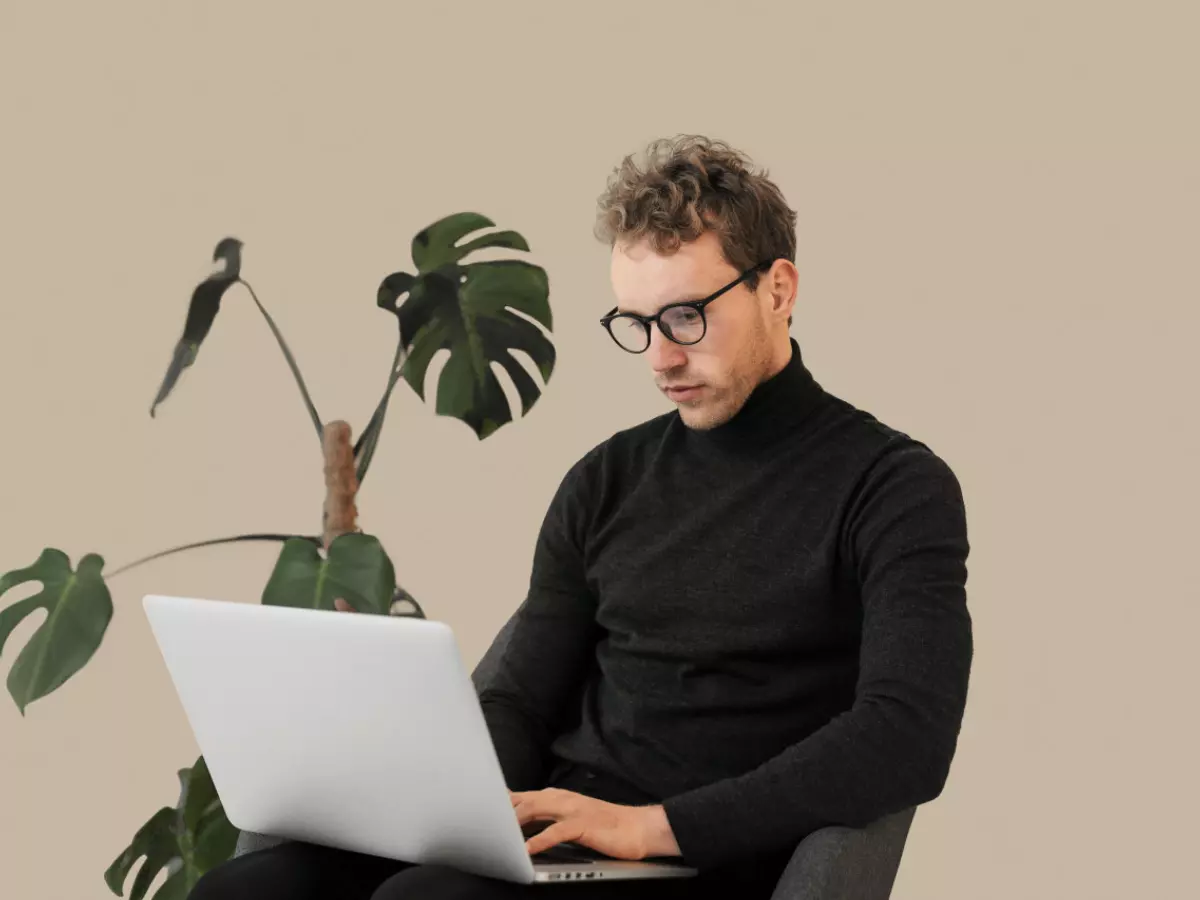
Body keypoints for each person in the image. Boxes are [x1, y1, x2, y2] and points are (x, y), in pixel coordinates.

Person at [190, 135, 973, 899]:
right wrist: (464, 811)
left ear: (778, 289)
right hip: (561, 835)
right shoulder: (607, 479)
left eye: (686, 317)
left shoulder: (892, 488)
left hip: (704, 854)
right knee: (250, 887)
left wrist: (653, 828)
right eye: (637, 324)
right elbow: (519, 699)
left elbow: (907, 735)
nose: (660, 358)